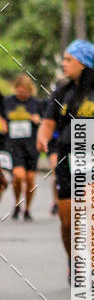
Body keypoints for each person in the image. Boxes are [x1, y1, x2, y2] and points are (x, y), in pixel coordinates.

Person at [37, 40, 94, 281]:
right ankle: (74, 259)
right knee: (68, 219)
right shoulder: (61, 91)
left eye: (68, 59)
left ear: (83, 63)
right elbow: (49, 123)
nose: (64, 64)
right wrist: (43, 138)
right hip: (67, 158)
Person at [4, 74, 43, 220]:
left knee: (31, 179)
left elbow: (45, 122)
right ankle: (16, 203)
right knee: (18, 177)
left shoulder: (36, 103)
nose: (22, 94)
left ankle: (27, 208)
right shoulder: (8, 102)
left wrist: (37, 120)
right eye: (20, 91)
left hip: (31, 146)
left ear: (30, 90)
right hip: (14, 145)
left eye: (25, 92)